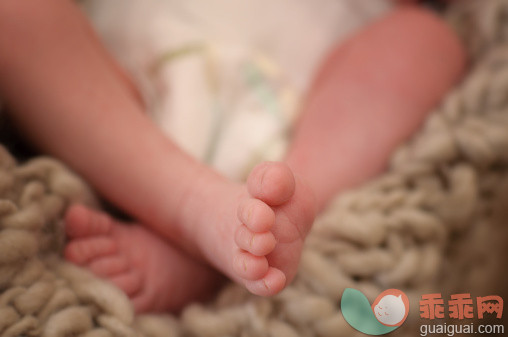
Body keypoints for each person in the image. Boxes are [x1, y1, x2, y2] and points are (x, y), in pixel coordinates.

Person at [0, 0, 465, 313]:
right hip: (128, 88)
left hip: (310, 102)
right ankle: (194, 210)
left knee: (427, 39)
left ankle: (270, 218)